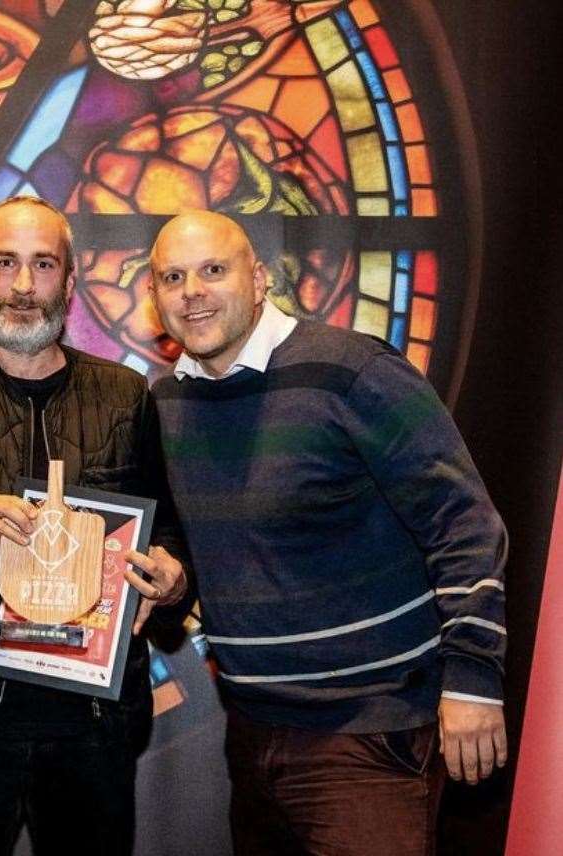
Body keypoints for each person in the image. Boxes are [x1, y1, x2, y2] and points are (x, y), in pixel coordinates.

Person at [147, 210, 509, 855]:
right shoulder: (168, 403)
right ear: (156, 298)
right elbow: (195, 532)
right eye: (172, 277)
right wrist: (173, 574)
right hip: (253, 730)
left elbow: (465, 523)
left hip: (370, 732)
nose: (192, 291)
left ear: (258, 280)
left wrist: (471, 678)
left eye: (212, 270)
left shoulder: (353, 371)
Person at [0, 195, 190, 855]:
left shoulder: (125, 396)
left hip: (91, 722)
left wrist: (170, 577)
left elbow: (169, 531)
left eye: (43, 265)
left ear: (70, 282)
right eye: (5, 264)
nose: (24, 286)